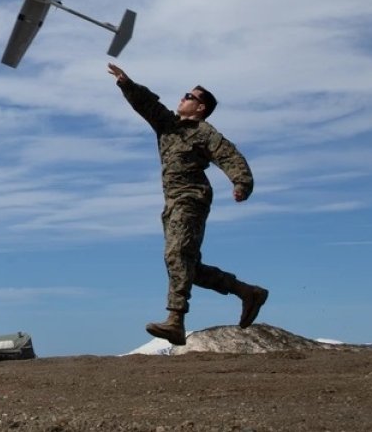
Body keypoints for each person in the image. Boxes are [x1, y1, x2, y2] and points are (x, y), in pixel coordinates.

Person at [108, 63, 268, 346]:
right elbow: (147, 105)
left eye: (190, 97)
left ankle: (175, 321)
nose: (183, 98)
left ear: (201, 108)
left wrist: (242, 183)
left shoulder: (205, 132)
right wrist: (126, 83)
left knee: (177, 254)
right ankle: (247, 292)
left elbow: (229, 156)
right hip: (172, 203)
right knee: (187, 266)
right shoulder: (167, 126)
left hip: (191, 197)